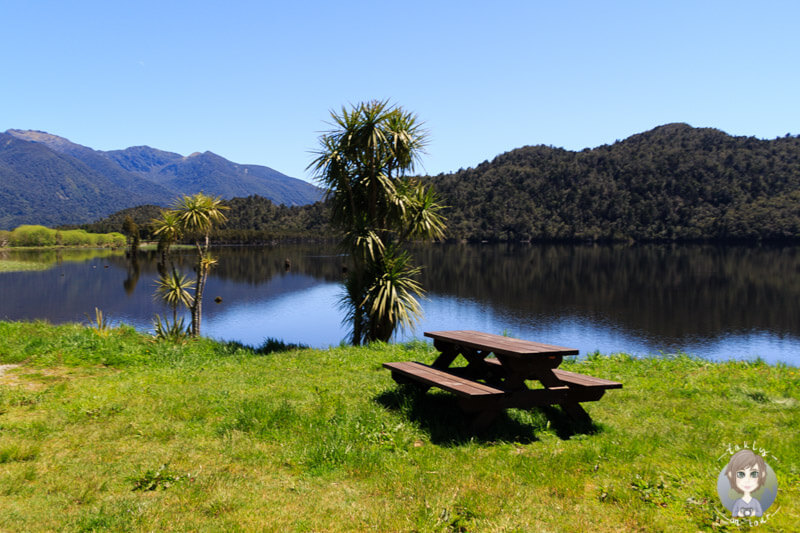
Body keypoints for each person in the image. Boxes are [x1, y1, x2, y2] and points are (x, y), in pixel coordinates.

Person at [725, 449, 767, 517]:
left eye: (754, 474)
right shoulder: (738, 502)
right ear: (731, 475)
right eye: (741, 474)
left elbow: (760, 513)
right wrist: (739, 514)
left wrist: (753, 513)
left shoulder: (755, 502)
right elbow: (734, 513)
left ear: (762, 475)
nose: (747, 480)